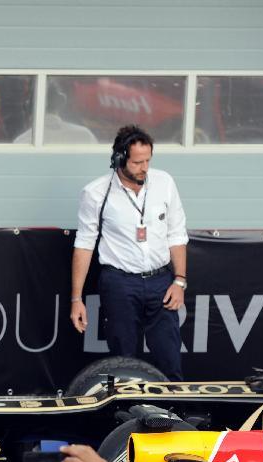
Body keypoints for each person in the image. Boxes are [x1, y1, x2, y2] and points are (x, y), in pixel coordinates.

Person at [69, 125, 188, 381]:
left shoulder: (164, 183)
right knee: (124, 362)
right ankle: (130, 416)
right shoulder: (96, 193)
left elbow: (176, 234)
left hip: (161, 281)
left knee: (169, 357)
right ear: (119, 159)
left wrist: (179, 281)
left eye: (148, 160)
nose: (144, 168)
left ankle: (174, 414)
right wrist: (76, 299)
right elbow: (84, 244)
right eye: (137, 162)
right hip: (119, 283)